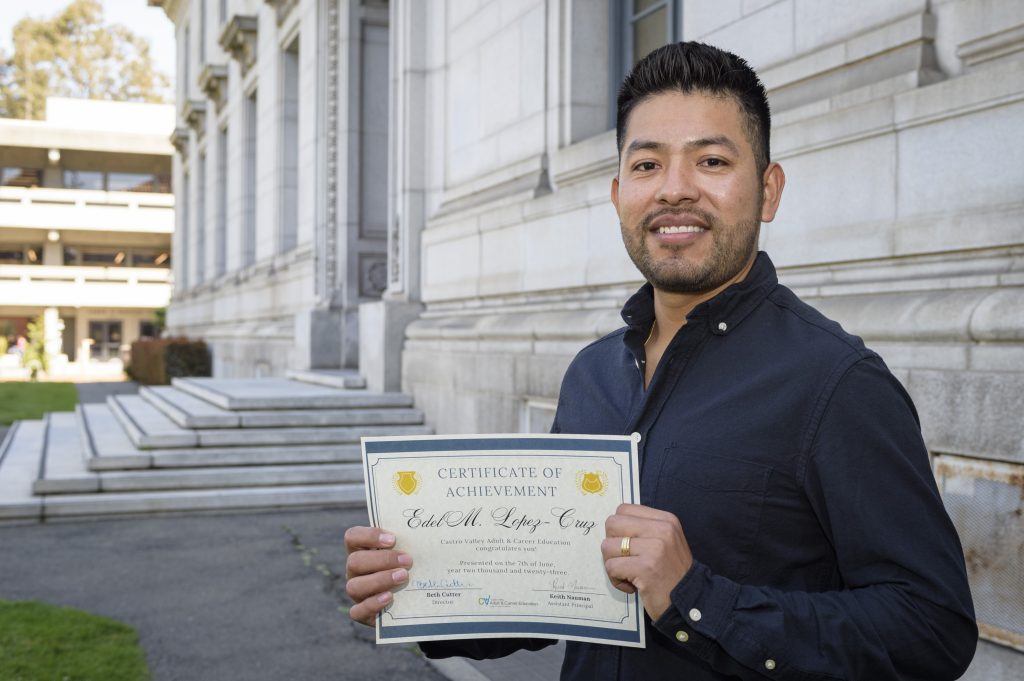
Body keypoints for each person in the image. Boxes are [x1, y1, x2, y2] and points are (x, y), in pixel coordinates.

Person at [345, 42, 977, 680]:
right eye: (647, 164)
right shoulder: (591, 376)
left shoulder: (835, 383)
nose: (675, 189)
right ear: (619, 194)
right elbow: (551, 597)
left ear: (768, 190)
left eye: (711, 160)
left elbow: (933, 629)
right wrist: (418, 593)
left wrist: (696, 599)